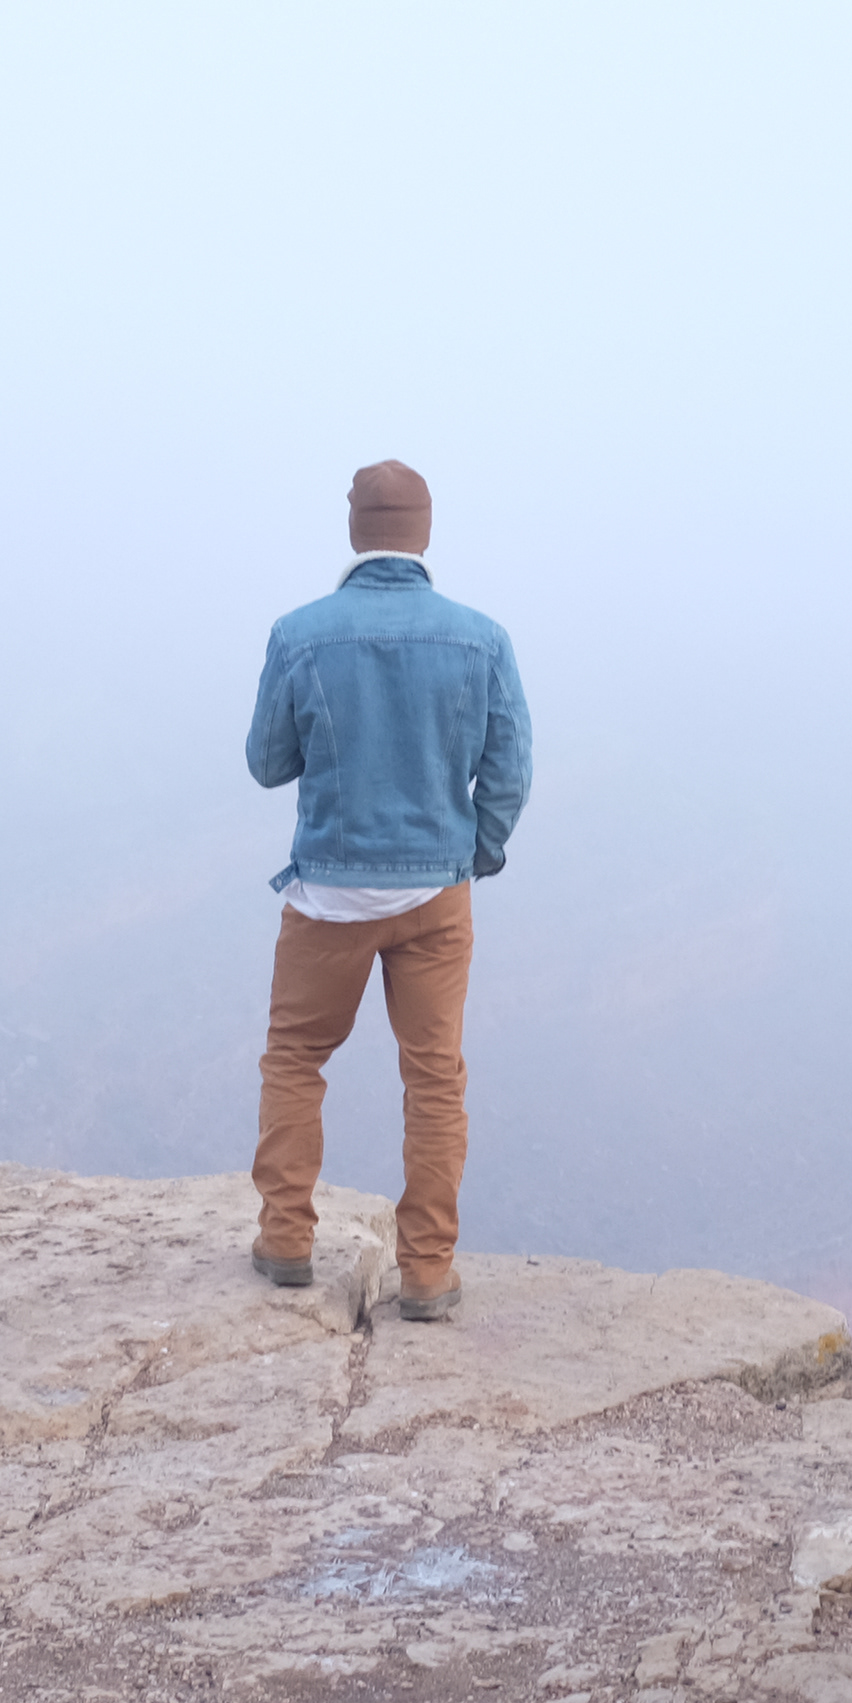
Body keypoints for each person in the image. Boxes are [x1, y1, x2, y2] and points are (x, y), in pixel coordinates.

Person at [244, 460, 531, 1320]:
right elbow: (509, 773)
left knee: (296, 1058)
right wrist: (473, 856)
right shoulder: (482, 639)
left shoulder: (300, 634)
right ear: (424, 532)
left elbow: (267, 763)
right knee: (434, 1078)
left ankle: (286, 1241)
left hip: (328, 895)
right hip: (436, 895)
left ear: (355, 530)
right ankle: (429, 1273)